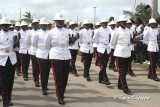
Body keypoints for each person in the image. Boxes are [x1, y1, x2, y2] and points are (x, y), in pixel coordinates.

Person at [45, 13, 77, 105]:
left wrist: (73, 41)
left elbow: (70, 43)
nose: (61, 22)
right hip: (55, 55)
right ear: (55, 22)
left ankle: (61, 92)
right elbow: (47, 45)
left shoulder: (68, 31)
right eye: (59, 21)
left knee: (65, 76)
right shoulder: (51, 32)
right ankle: (60, 96)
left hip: (66, 55)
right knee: (58, 76)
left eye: (62, 21)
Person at [110, 15, 132, 94]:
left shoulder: (128, 30)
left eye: (125, 21)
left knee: (125, 70)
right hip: (120, 53)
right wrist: (119, 46)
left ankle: (120, 84)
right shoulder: (116, 31)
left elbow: (129, 40)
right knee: (121, 70)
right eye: (122, 22)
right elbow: (112, 42)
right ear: (119, 23)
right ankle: (124, 87)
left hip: (127, 52)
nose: (124, 23)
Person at [0, 17, 17, 107]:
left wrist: (16, 44)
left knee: (10, 80)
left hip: (11, 58)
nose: (6, 26)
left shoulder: (14, 34)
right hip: (2, 59)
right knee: (3, 81)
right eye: (4, 25)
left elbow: (17, 48)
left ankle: (9, 99)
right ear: (2, 26)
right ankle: (5, 101)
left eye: (7, 25)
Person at [32, 18, 51, 95]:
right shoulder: (37, 33)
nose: (44, 26)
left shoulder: (50, 32)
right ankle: (43, 88)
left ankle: (45, 85)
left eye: (46, 25)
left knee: (47, 71)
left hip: (49, 53)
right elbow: (34, 43)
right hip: (41, 53)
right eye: (43, 25)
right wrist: (40, 48)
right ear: (40, 25)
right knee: (43, 71)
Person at [93, 17, 111, 85]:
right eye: (104, 23)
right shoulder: (98, 30)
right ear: (102, 23)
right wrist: (100, 43)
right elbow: (94, 39)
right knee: (102, 65)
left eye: (106, 22)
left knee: (105, 64)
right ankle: (106, 79)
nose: (105, 24)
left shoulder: (109, 30)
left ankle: (100, 79)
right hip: (101, 48)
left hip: (107, 48)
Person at [25, 19, 40, 87]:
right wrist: (30, 50)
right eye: (34, 24)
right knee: (35, 66)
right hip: (33, 51)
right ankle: (36, 79)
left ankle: (39, 78)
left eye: (37, 23)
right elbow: (27, 42)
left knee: (40, 67)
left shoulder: (41, 31)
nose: (35, 25)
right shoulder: (29, 32)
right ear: (32, 24)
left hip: (40, 51)